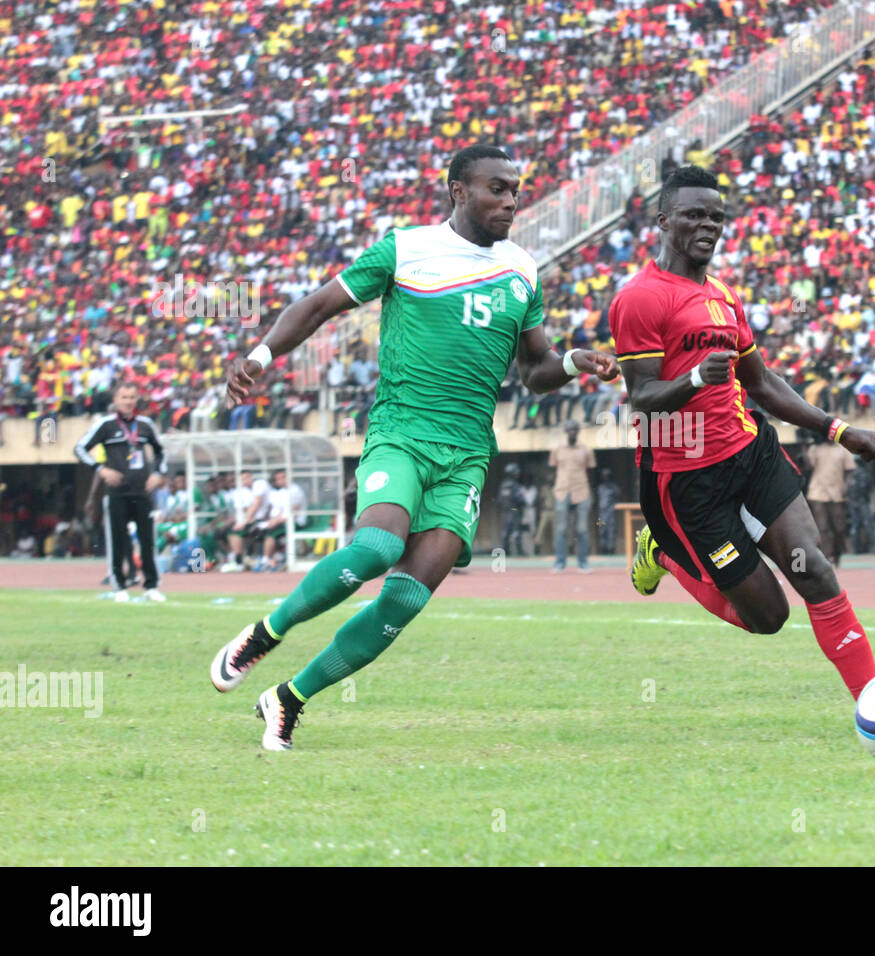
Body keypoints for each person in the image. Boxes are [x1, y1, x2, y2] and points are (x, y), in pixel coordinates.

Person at [209, 145, 619, 750]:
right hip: (402, 431)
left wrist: (573, 361)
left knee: (402, 601)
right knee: (376, 547)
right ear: (458, 190)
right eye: (497, 189)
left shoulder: (521, 269)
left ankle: (288, 699)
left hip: (467, 457)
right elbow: (319, 305)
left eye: (515, 190)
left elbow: (534, 370)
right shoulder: (407, 249)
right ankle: (266, 633)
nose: (510, 201)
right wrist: (260, 355)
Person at [611, 166, 875, 703]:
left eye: (717, 216)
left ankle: (874, 702)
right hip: (687, 480)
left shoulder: (723, 295)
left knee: (816, 571)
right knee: (769, 617)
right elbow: (641, 399)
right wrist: (694, 378)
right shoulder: (640, 299)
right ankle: (664, 554)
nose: (709, 225)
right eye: (695, 214)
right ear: (663, 219)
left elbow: (759, 382)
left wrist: (839, 428)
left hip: (750, 453)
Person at [74, 380, 168, 602]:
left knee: (148, 540)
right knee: (117, 540)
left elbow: (161, 452)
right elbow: (80, 448)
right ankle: (120, 587)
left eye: (132, 398)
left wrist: (157, 473)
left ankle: (151, 586)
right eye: (124, 398)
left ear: (137, 400)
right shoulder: (105, 425)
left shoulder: (145, 424)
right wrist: (101, 469)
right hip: (117, 492)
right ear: (116, 400)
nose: (128, 402)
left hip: (142, 491)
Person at [550, 420, 596, 572]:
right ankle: (560, 563)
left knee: (582, 529)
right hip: (562, 491)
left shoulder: (586, 449)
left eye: (574, 430)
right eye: (569, 430)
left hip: (582, 491)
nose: (572, 432)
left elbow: (591, 470)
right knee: (561, 529)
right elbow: (553, 469)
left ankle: (583, 563)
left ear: (578, 431)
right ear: (565, 431)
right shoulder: (557, 449)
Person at [805, 432, 856, 567]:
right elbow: (808, 467)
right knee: (822, 527)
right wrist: (804, 447)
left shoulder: (843, 450)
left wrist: (846, 485)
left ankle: (837, 554)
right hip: (817, 492)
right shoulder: (815, 449)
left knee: (839, 527)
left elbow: (850, 471)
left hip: (837, 493)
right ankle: (826, 557)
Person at [256, 469, 308, 571]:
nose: (281, 480)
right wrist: (272, 521)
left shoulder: (295, 490)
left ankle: (265, 561)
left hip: (296, 522)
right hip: (284, 521)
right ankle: (274, 558)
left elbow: (292, 511)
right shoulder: (282, 491)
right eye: (278, 479)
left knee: (272, 531)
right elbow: (280, 511)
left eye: (283, 477)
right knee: (261, 531)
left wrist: (274, 522)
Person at [221, 470, 271, 572]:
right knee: (228, 531)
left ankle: (239, 562)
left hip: (264, 520)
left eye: (245, 478)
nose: (244, 481)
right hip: (257, 520)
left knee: (235, 532)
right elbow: (246, 509)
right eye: (241, 479)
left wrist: (245, 523)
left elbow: (256, 505)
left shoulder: (259, 484)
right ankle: (241, 559)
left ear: (251, 477)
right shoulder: (246, 491)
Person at [498, 462, 526, 556]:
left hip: (505, 511)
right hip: (514, 510)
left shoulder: (504, 485)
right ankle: (519, 552)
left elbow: (500, 499)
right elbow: (520, 499)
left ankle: (505, 551)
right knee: (516, 531)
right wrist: (523, 502)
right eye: (515, 472)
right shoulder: (514, 485)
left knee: (506, 532)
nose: (517, 474)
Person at [595, 467, 620, 555]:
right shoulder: (600, 488)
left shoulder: (614, 487)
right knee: (602, 530)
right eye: (603, 476)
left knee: (611, 530)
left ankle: (611, 550)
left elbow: (617, 497)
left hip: (611, 513)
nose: (605, 478)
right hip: (601, 514)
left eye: (607, 476)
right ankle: (603, 549)